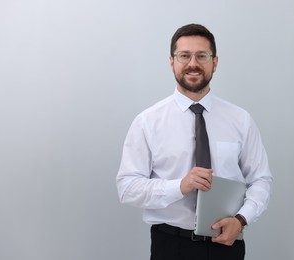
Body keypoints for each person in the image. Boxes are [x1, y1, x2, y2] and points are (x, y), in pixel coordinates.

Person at [116, 23, 273, 260]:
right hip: (171, 246)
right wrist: (179, 186)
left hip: (227, 244)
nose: (193, 64)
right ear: (172, 62)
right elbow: (127, 187)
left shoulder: (240, 120)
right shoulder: (147, 122)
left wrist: (241, 221)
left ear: (215, 62)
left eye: (202, 56)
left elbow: (261, 180)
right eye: (184, 56)